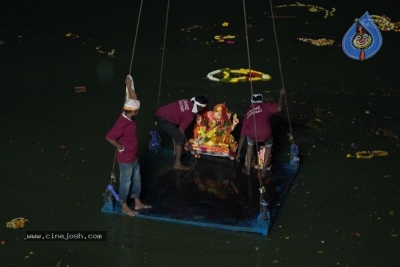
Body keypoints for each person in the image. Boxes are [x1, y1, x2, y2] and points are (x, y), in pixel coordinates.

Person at [106, 75, 151, 217]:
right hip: (125, 159)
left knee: (137, 180)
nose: (138, 111)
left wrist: (129, 86)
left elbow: (134, 99)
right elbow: (109, 137)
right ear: (132, 111)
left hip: (134, 156)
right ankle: (124, 205)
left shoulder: (128, 113)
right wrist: (120, 147)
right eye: (137, 110)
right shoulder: (121, 123)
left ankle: (137, 202)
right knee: (126, 183)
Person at [236, 88, 286, 177]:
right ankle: (263, 171)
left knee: (250, 144)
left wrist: (238, 153)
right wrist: (281, 95)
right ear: (262, 101)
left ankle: (248, 169)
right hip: (265, 134)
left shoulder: (248, 113)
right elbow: (279, 109)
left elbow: (242, 135)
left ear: (251, 102)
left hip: (252, 135)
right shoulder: (265, 105)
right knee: (269, 145)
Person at [155, 95, 209, 170]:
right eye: (203, 108)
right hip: (163, 119)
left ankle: (175, 152)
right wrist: (187, 143)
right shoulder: (190, 115)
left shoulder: (187, 101)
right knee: (180, 139)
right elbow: (181, 129)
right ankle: (177, 164)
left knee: (175, 134)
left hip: (161, 112)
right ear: (200, 107)